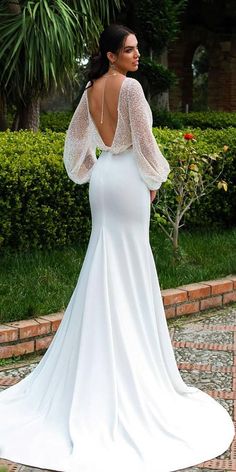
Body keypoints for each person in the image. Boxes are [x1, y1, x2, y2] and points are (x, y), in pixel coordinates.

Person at [0, 23, 234, 472]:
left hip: (105, 178)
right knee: (129, 264)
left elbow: (74, 146)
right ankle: (129, 361)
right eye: (129, 50)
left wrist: (94, 170)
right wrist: (154, 179)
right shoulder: (130, 90)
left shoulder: (91, 90)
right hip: (126, 180)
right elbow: (145, 143)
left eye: (137, 49)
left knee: (104, 261)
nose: (137, 55)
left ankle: (101, 353)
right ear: (111, 55)